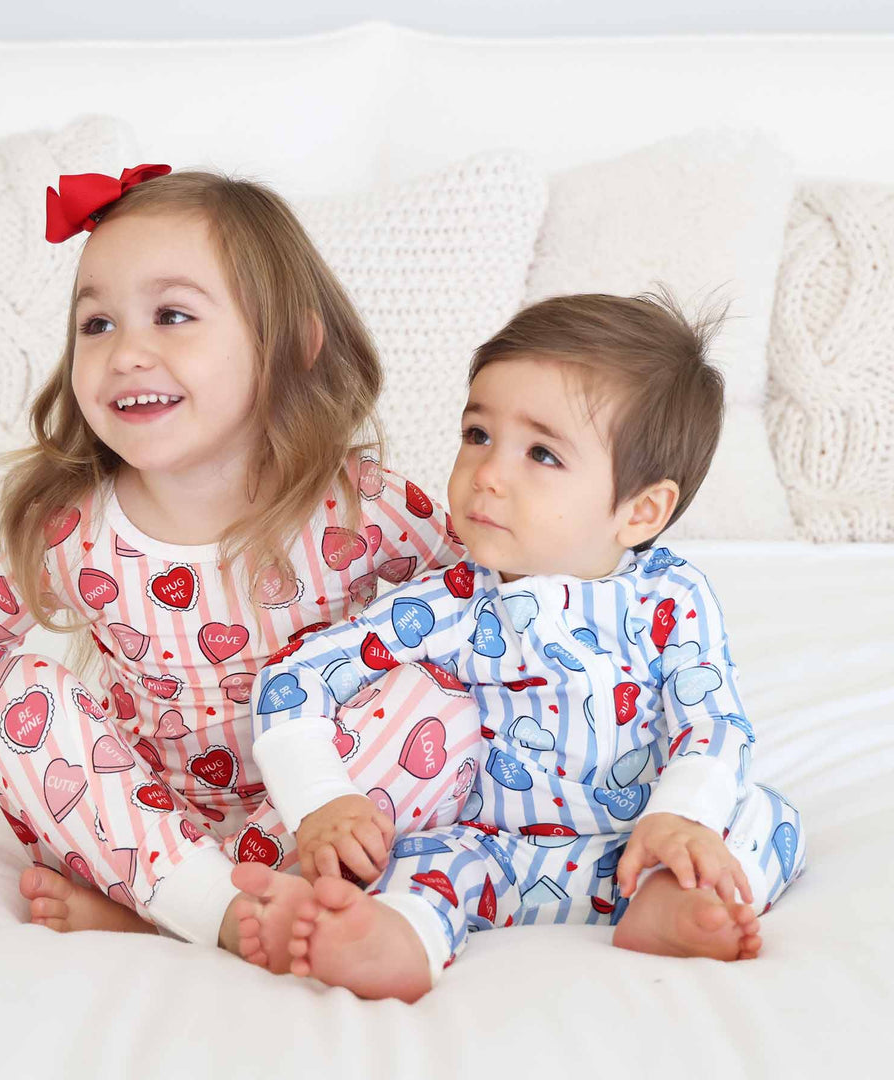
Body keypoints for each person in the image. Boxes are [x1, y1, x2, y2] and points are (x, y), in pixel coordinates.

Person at [0, 165, 475, 960]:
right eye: (97, 324)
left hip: (317, 796)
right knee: (12, 695)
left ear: (290, 348)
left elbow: (481, 600)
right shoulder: (78, 528)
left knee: (444, 693)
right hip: (146, 815)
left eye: (172, 315)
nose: (126, 353)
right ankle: (207, 907)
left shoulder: (361, 507)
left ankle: (201, 908)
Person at [235, 291, 807, 1001]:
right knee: (421, 860)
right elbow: (295, 681)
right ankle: (392, 939)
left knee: (769, 816)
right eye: (478, 435)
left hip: (641, 846)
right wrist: (322, 800)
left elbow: (713, 723)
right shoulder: (450, 604)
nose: (489, 473)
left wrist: (679, 818)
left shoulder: (671, 598)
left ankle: (675, 902)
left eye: (540, 452)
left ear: (641, 510)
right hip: (498, 857)